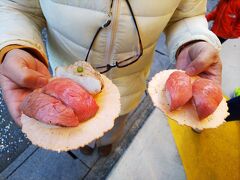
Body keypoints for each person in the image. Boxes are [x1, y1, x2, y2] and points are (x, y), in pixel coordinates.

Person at [0, 0, 222, 156]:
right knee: (74, 131)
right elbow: (16, 6)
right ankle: (83, 144)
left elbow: (186, 14)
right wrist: (16, 45)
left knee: (116, 124)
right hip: (63, 86)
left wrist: (192, 39)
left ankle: (108, 142)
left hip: (129, 86)